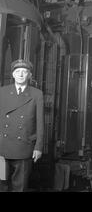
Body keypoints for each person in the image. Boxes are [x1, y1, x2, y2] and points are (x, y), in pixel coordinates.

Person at [0, 59, 44, 192]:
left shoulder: (36, 94)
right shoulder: (2, 92)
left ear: (29, 75)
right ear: (12, 74)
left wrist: (38, 147)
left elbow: (40, 122)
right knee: (2, 185)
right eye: (17, 71)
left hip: (24, 147)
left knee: (20, 187)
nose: (20, 74)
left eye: (24, 72)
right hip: (2, 149)